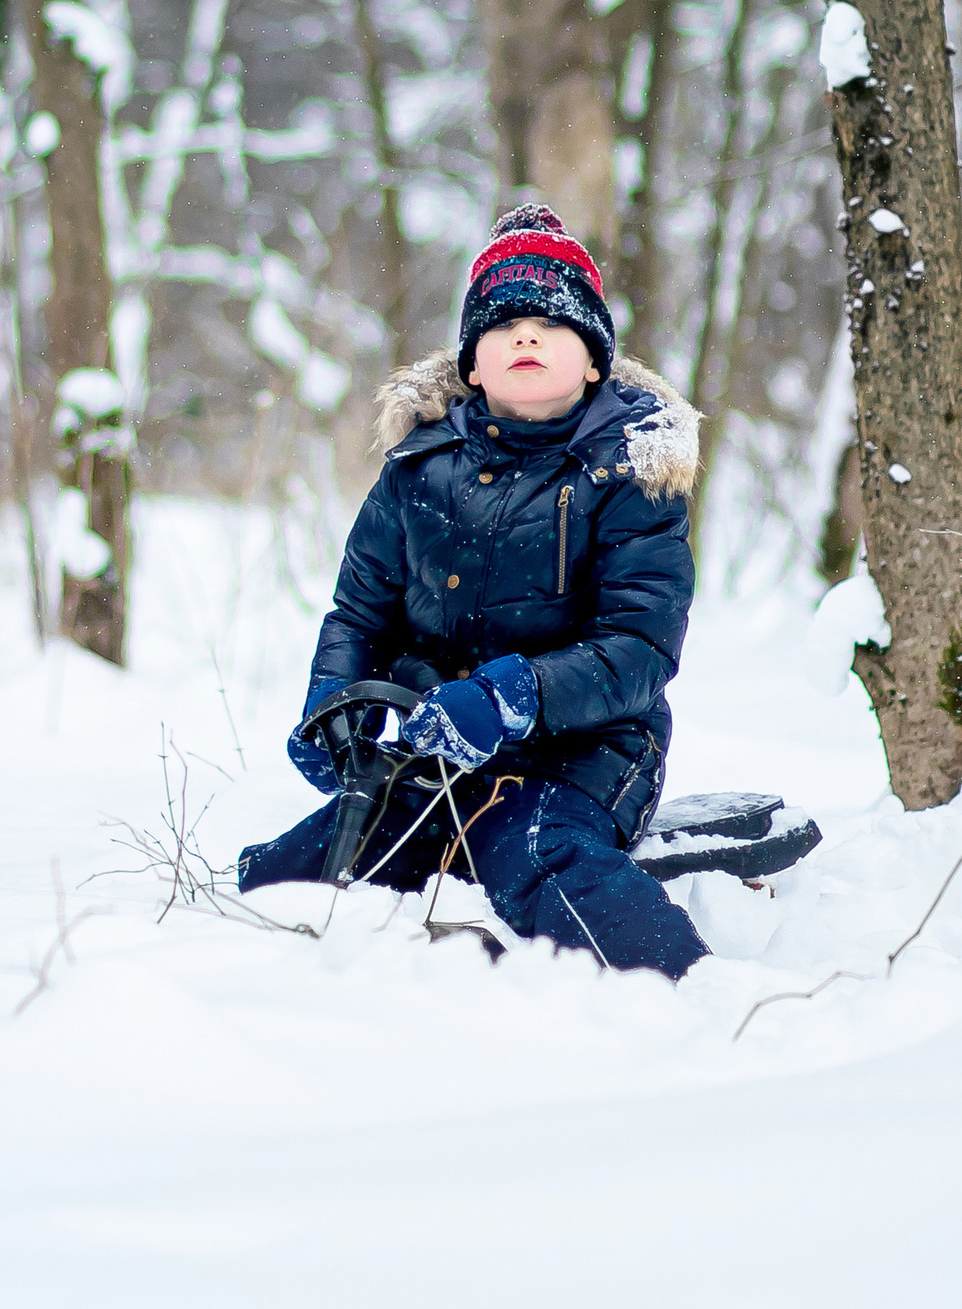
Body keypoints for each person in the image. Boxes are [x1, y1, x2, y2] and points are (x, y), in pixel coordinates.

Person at [236, 200, 708, 978]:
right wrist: (339, 707)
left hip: (587, 751)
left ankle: (689, 987)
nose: (526, 334)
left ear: (593, 360)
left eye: (553, 324)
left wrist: (513, 695)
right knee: (296, 872)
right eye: (503, 325)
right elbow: (360, 612)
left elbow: (640, 647)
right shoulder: (416, 470)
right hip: (439, 751)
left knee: (534, 848)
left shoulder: (631, 471)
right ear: (473, 363)